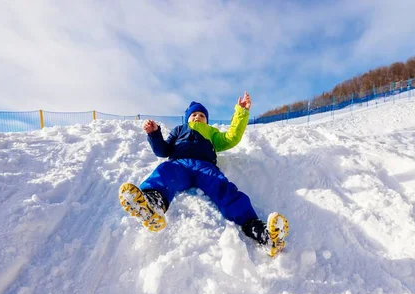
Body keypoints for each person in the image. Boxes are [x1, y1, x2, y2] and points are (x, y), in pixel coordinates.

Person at [118, 91, 289, 256]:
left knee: (224, 189)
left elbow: (232, 137)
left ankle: (259, 231)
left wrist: (241, 112)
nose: (198, 117)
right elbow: (163, 151)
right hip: (179, 164)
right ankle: (152, 204)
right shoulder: (179, 130)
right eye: (194, 115)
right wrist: (154, 134)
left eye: (202, 115)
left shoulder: (211, 132)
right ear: (187, 118)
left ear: (206, 120)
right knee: (164, 171)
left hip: (205, 168)